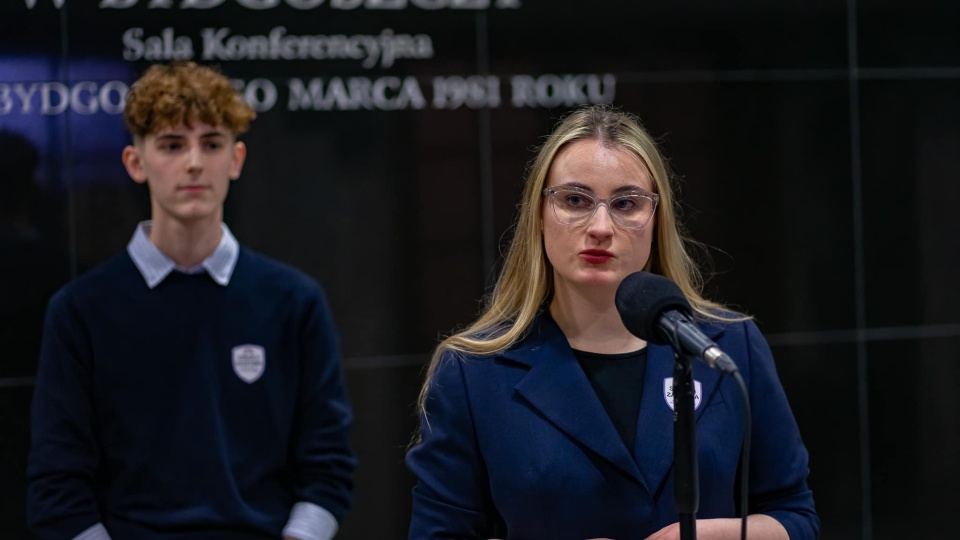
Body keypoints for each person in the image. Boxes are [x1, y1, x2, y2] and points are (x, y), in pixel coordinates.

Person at [405, 105, 818, 540]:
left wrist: (705, 536)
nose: (600, 226)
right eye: (575, 200)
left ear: (656, 218)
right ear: (539, 215)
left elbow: (795, 516)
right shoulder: (472, 371)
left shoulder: (729, 346)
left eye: (625, 203)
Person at [27, 62, 356, 540]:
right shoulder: (80, 310)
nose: (195, 162)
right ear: (135, 163)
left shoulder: (294, 301)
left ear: (237, 159)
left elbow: (329, 468)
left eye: (212, 143)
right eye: (172, 145)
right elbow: (57, 485)